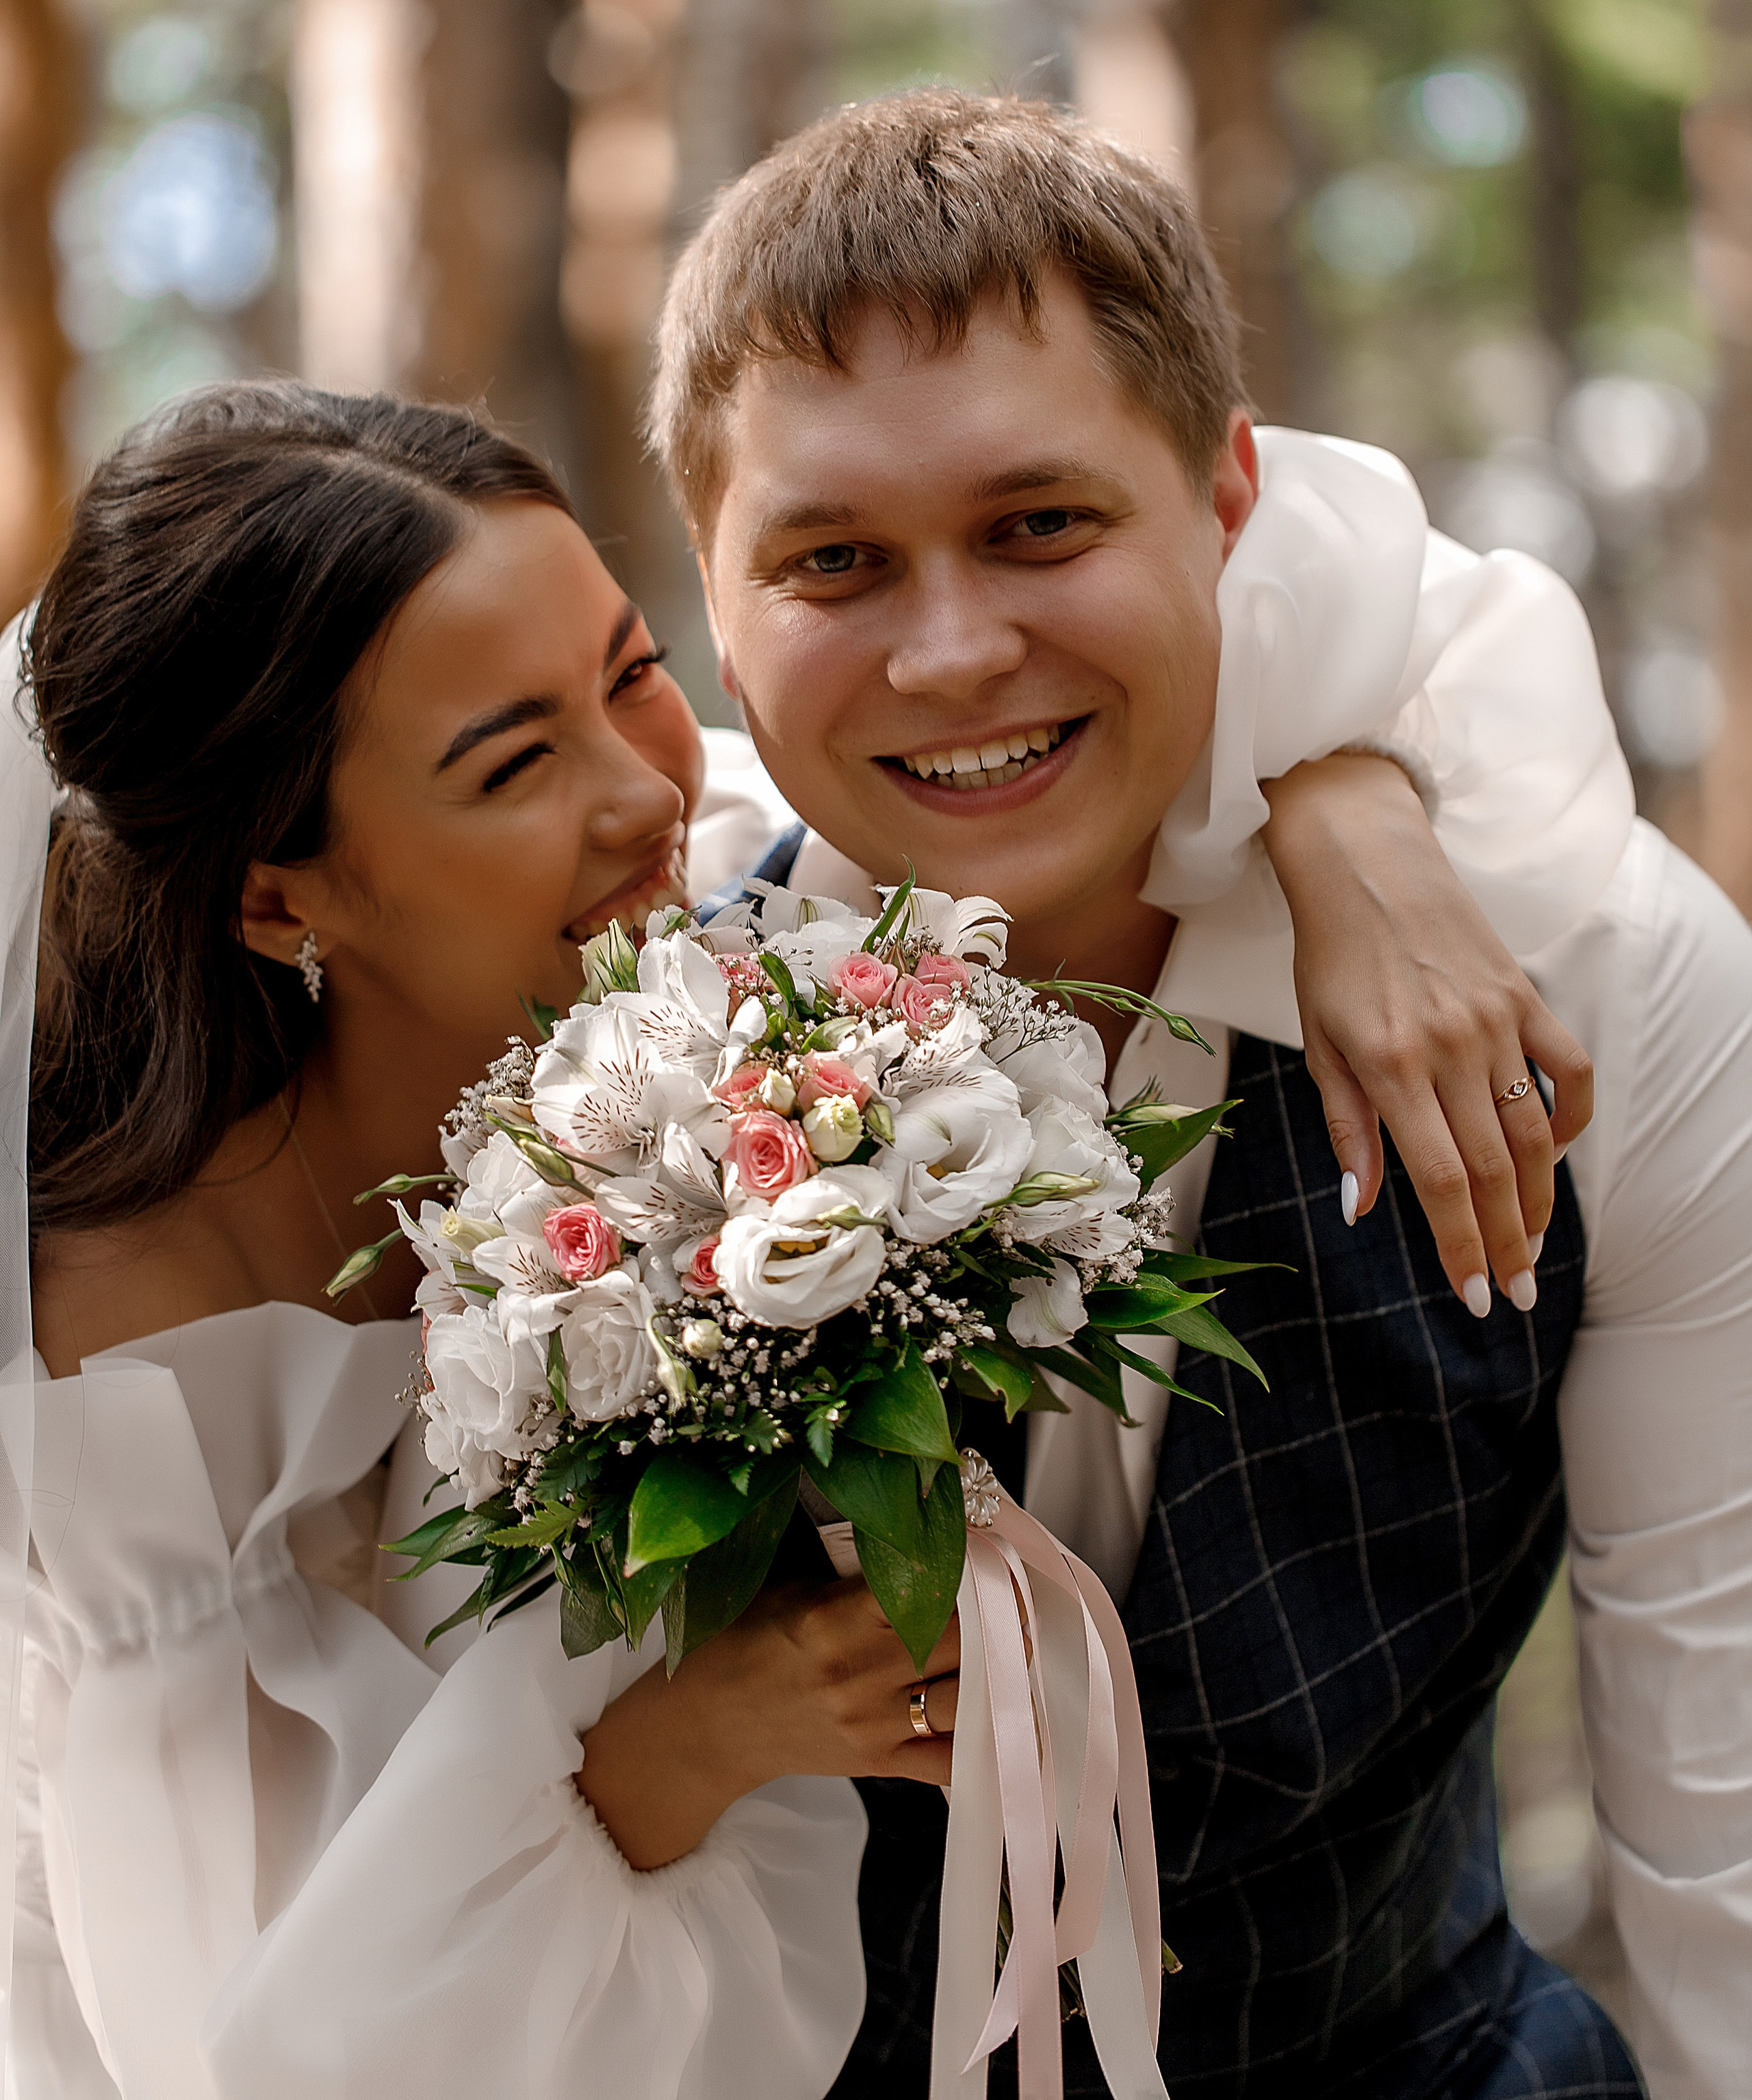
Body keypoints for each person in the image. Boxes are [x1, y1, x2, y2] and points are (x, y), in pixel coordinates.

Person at [4, 379, 1619, 2099]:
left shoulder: (691, 936)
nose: (643, 790)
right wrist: (682, 1747)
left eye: (631, 672)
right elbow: (287, 2049)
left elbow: (1359, 561)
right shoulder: (130, 1370)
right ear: (277, 896)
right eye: (515, 761)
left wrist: (1344, 814)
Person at [649, 89, 1752, 2099]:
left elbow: (1725, 1809)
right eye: (833, 561)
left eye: (1040, 524)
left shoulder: (1601, 978)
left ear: (1231, 499)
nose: (952, 651)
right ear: (715, 611)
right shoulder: (608, 1046)